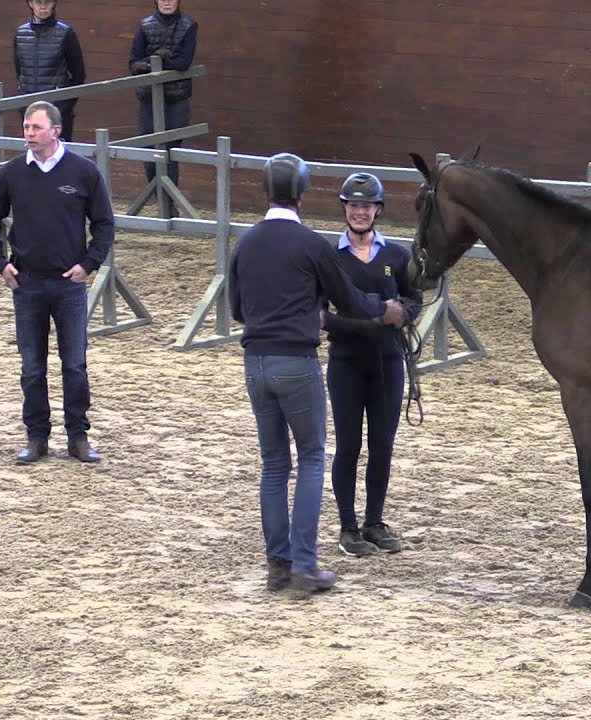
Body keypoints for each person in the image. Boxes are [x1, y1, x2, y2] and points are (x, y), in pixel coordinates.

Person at [229, 154, 406, 596]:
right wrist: (385, 310)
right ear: (303, 196)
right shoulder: (311, 244)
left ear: (266, 192)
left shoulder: (245, 243)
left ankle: (278, 566)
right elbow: (348, 300)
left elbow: (235, 309)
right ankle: (305, 566)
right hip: (297, 362)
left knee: (273, 464)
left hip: (256, 362)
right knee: (310, 458)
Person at [0, 100, 112, 465]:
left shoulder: (83, 172)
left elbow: (104, 224)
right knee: (32, 366)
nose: (28, 134)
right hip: (28, 285)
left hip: (68, 285)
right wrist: (0, 264)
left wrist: (89, 264)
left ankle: (78, 437)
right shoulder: (11, 174)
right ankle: (36, 437)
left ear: (56, 130)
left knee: (74, 365)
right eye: (25, 128)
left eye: (35, 128)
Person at [323, 173, 423, 557]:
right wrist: (372, 318)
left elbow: (414, 298)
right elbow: (320, 314)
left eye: (366, 206)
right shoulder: (330, 257)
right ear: (345, 208)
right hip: (346, 362)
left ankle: (374, 521)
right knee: (348, 444)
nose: (360, 211)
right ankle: (347, 525)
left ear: (378, 209)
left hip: (387, 362)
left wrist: (405, 314)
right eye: (353, 205)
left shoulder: (396, 256)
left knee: (382, 444)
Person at [128, 0, 198, 188]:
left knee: (169, 152)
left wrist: (151, 64)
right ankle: (160, 198)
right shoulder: (145, 25)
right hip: (149, 98)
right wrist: (155, 60)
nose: (166, 2)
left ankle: (169, 204)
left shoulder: (188, 25)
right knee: (149, 153)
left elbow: (183, 63)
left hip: (176, 98)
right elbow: (133, 62)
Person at [13, 0, 85, 142]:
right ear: (30, 4)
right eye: (38, 2)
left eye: (48, 2)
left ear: (54, 4)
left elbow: (78, 73)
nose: (43, 6)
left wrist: (65, 103)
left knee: (60, 154)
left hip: (57, 108)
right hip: (29, 105)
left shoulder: (65, 33)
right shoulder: (20, 34)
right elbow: (19, 70)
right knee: (33, 152)